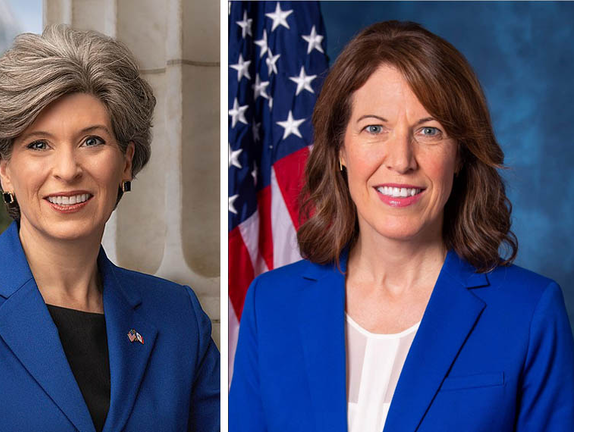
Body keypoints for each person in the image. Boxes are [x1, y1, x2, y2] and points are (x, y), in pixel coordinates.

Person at [229, 20, 572, 432]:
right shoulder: (271, 304)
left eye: (429, 131)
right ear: (340, 148)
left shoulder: (530, 311)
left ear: (460, 155)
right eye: (374, 128)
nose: (401, 160)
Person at [0, 25, 220, 432]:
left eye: (92, 141)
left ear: (125, 162)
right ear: (5, 171)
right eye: (39, 144)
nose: (68, 170)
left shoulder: (178, 317)